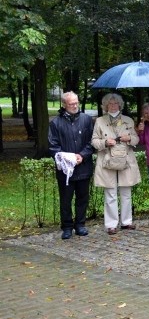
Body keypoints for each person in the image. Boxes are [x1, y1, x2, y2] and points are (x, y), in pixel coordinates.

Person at [91, 93, 142, 235]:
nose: (113, 106)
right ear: (105, 106)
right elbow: (94, 140)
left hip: (125, 159)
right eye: (110, 104)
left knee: (126, 192)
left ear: (120, 105)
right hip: (107, 159)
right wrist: (105, 142)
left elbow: (136, 140)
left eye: (115, 104)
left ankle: (126, 222)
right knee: (110, 192)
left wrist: (129, 138)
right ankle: (111, 224)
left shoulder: (128, 120)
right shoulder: (100, 121)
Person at [48, 91, 94, 240]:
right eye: (71, 103)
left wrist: (83, 155)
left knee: (82, 198)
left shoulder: (86, 120)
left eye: (76, 102)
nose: (75, 105)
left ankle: (80, 224)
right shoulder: (55, 123)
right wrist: (68, 158)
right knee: (66, 200)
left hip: (83, 166)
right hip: (65, 171)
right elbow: (53, 146)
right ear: (64, 104)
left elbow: (92, 141)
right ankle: (67, 227)